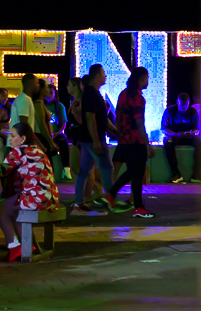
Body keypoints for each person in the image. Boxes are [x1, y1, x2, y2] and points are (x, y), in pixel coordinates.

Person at [0, 122, 60, 260]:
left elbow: (0, 171)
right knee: (15, 209)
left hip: (34, 199)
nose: (9, 139)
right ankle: (28, 245)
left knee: (0, 207)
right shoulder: (38, 150)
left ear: (23, 139)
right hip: (50, 199)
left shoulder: (19, 151)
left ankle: (13, 246)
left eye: (13, 136)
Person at [74, 64, 117, 214]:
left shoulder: (92, 93)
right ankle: (110, 201)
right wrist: (97, 141)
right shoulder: (92, 94)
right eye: (104, 73)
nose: (106, 76)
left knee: (85, 170)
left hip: (87, 139)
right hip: (94, 140)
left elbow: (100, 119)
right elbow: (90, 118)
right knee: (107, 168)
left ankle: (79, 202)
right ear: (97, 76)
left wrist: (114, 130)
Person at [111, 67, 152, 218]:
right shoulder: (138, 98)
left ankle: (112, 195)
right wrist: (148, 143)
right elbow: (139, 122)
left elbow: (118, 115)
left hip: (123, 139)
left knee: (126, 171)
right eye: (146, 78)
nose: (148, 81)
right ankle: (137, 205)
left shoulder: (123, 93)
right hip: (135, 140)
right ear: (141, 79)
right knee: (136, 172)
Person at [162, 91, 201, 184]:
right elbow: (163, 128)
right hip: (174, 136)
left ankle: (196, 174)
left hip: (188, 137)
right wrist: (176, 134)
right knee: (167, 143)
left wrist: (192, 133)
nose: (184, 107)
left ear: (189, 103)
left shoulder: (193, 111)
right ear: (177, 102)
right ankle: (176, 173)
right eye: (182, 105)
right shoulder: (170, 111)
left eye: (186, 105)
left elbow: (197, 129)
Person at [43, 82, 70, 178]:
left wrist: (57, 133)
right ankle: (49, 172)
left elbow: (64, 123)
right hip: (45, 133)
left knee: (63, 141)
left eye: (51, 93)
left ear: (55, 94)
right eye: (47, 92)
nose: (49, 95)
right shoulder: (41, 106)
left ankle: (66, 169)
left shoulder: (60, 106)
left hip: (56, 133)